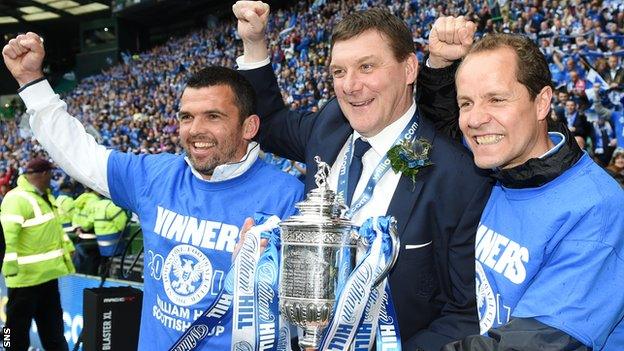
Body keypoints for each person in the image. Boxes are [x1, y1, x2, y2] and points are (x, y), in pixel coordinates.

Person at [2, 32, 304, 349]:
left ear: (249, 127)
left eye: (213, 116)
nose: (196, 130)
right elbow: (80, 154)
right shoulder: (156, 175)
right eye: (187, 117)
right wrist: (32, 82)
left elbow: (309, 316)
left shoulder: (288, 198)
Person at [233, 2, 493, 349]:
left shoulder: (459, 176)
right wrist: (254, 42)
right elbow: (272, 124)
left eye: (366, 67)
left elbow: (465, 313)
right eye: (338, 72)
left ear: (409, 69)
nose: (350, 86)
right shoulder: (329, 126)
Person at [441, 33, 624, 350]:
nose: (475, 119)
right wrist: (436, 68)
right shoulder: (495, 172)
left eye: (496, 99)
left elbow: (534, 343)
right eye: (466, 103)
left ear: (541, 103)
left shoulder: (598, 207)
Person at [0, 157, 75, 351]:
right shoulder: (16, 198)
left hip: (47, 278)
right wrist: (10, 271)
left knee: (54, 333)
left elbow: (54, 229)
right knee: (12, 333)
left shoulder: (45, 197)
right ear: (43, 174)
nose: (52, 176)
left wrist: (67, 249)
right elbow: (7, 237)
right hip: (24, 281)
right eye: (50, 173)